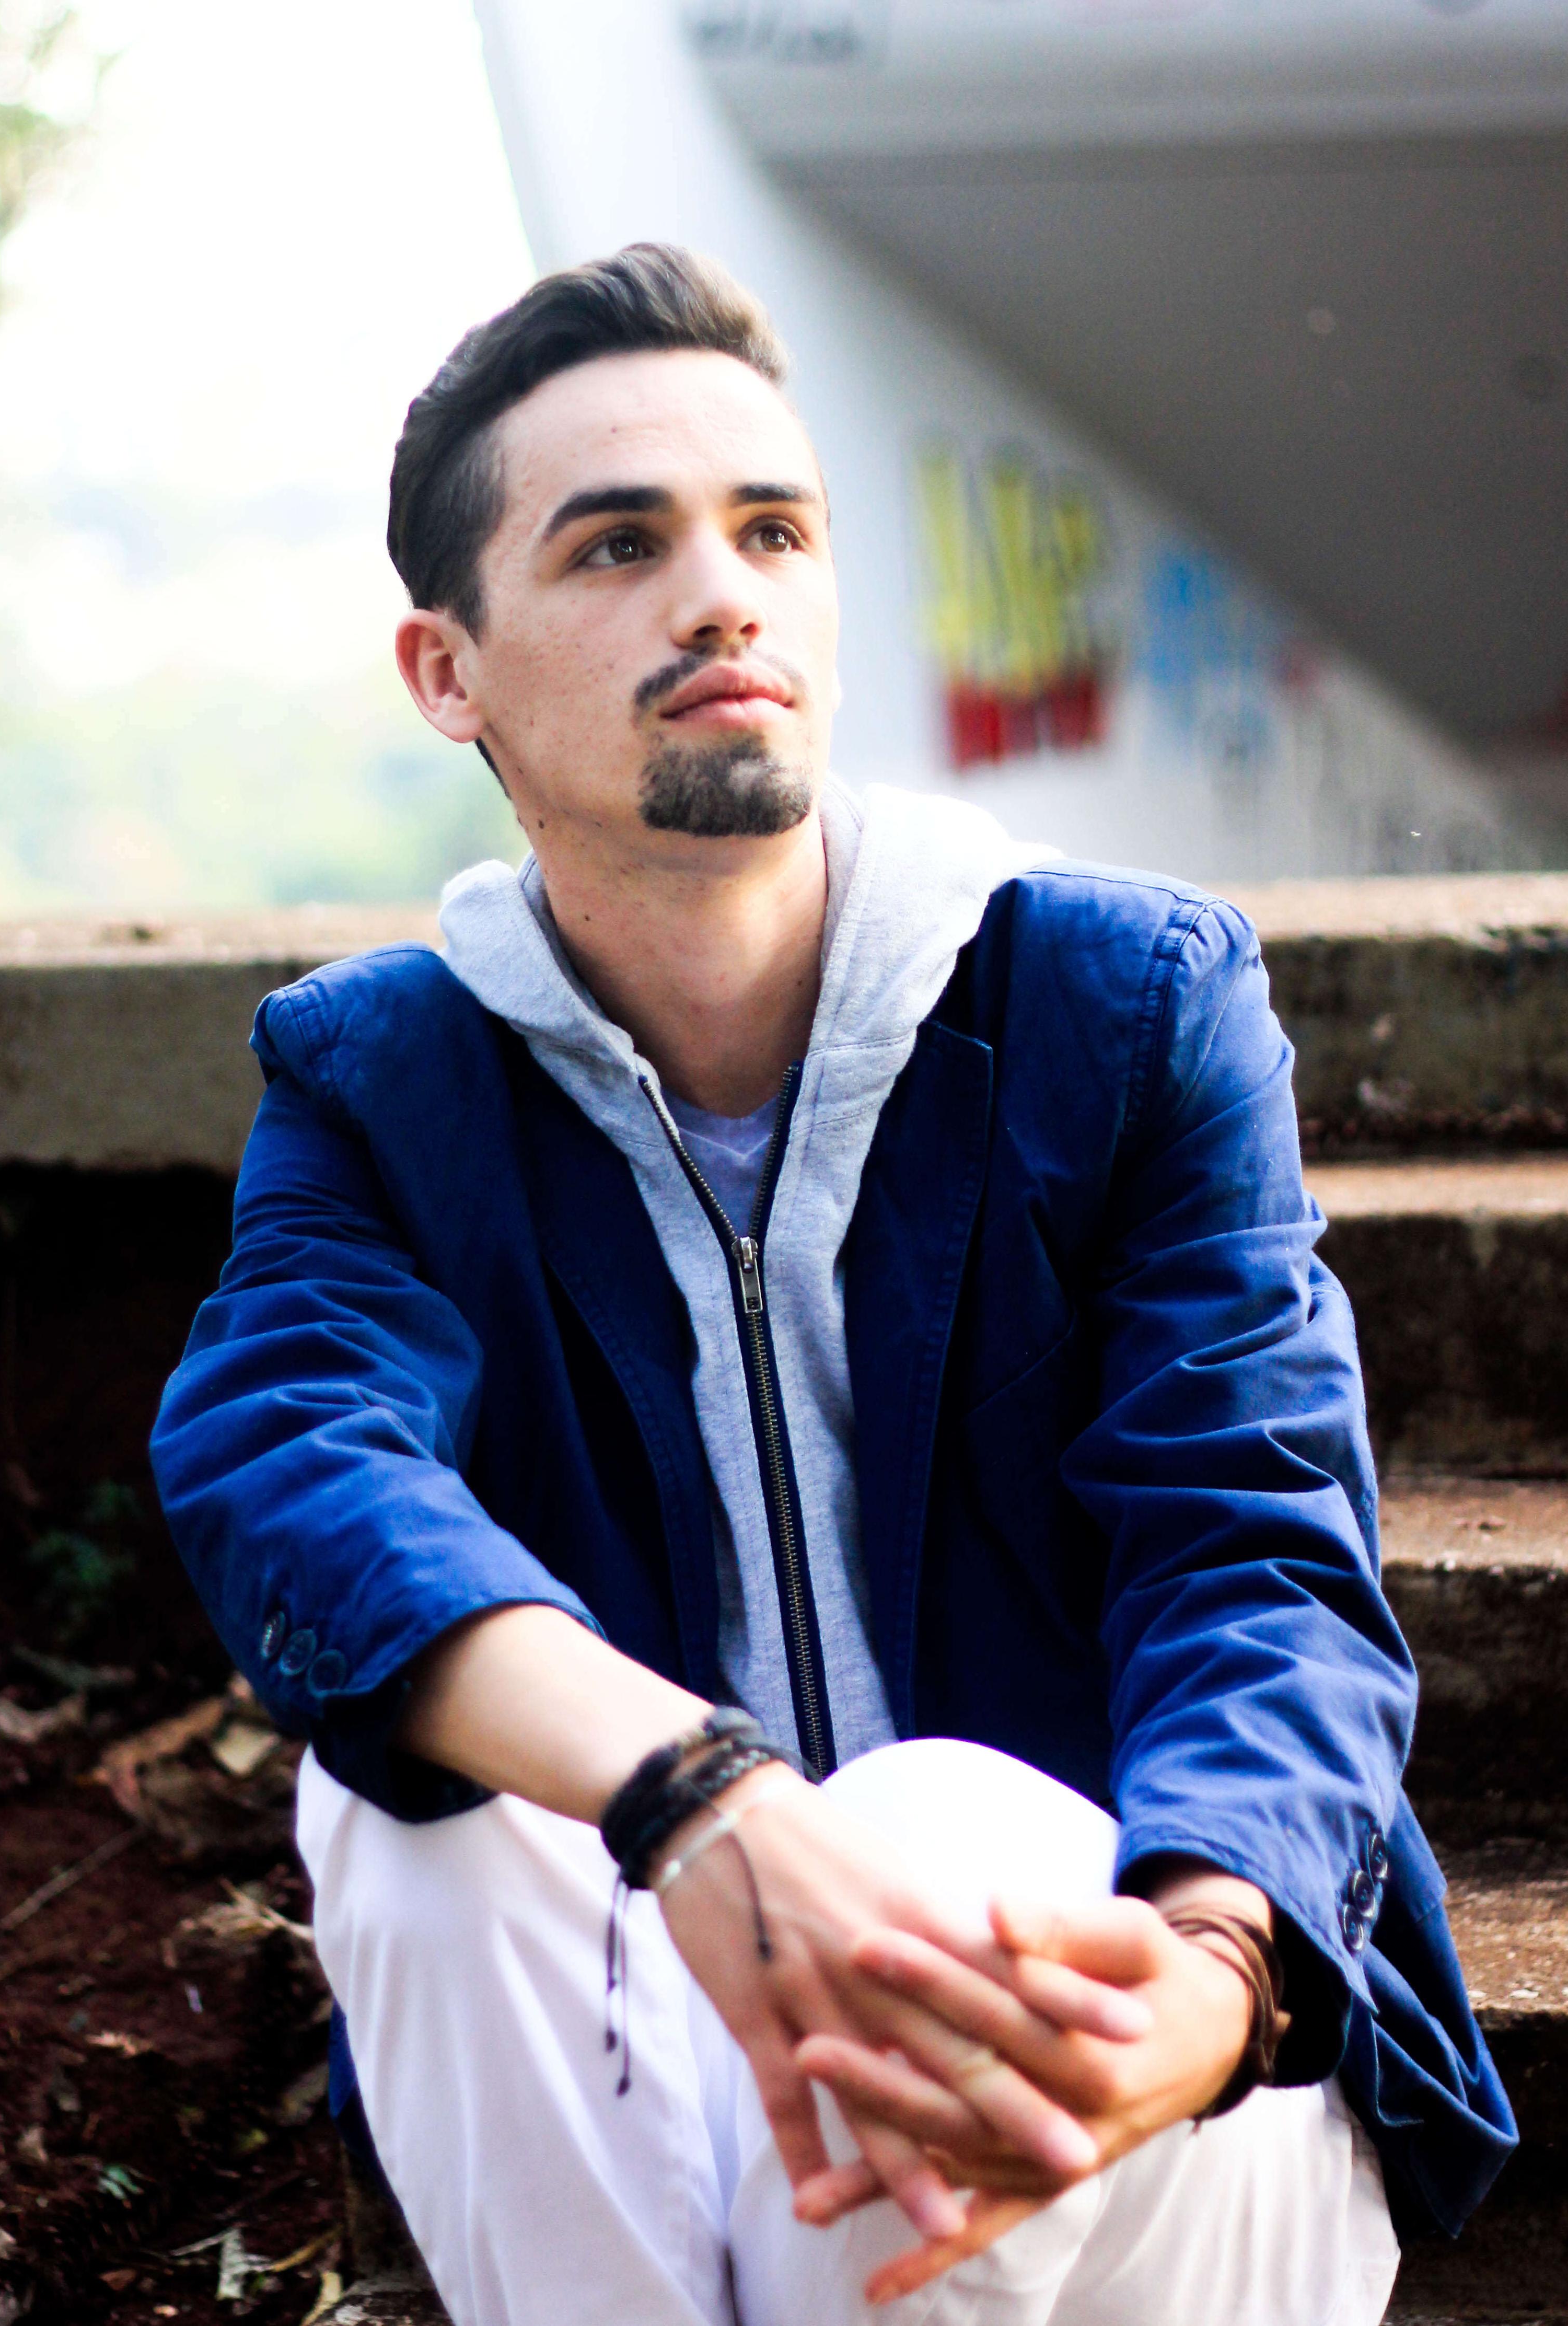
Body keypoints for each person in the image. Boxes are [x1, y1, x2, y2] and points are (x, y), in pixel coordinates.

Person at [152, 245, 1513, 2326]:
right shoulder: (384, 1081)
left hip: (1144, 2063)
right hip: (676, 2100)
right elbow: (291, 1469)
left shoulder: (1118, 1008)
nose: (722, 595)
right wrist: (698, 1794)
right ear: (447, 674)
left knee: (933, 1814)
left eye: (771, 531)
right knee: (404, 1810)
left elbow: (1252, 1551)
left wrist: (1213, 1960)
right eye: (619, 544)